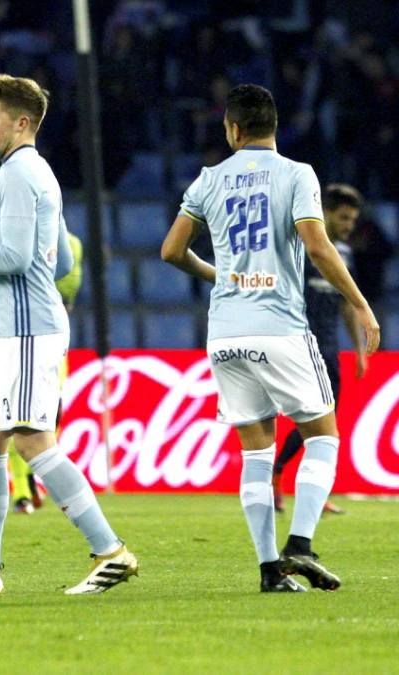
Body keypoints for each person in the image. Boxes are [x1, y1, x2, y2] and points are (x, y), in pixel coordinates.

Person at [0, 74, 138, 596]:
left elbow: (14, 258)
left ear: (20, 122)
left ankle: (112, 551)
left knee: (33, 440)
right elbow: (58, 259)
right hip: (11, 329)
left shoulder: (17, 175)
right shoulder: (39, 173)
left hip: (28, 332)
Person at [161, 84, 379, 592]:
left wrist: (220, 276)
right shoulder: (296, 174)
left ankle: (268, 571)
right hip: (279, 327)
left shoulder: (209, 179)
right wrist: (361, 302)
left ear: (233, 129)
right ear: (272, 127)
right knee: (323, 436)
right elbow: (317, 243)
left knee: (256, 456)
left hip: (225, 335)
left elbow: (171, 251)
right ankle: (300, 547)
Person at [273, 184, 369, 515]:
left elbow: (345, 303)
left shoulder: (343, 254)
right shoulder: (300, 247)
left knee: (324, 425)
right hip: (299, 343)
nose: (348, 226)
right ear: (325, 213)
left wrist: (357, 348)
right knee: (314, 424)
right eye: (343, 218)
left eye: (352, 220)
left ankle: (309, 488)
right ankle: (278, 477)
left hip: (328, 348)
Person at [10, 231, 83, 515]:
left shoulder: (71, 243)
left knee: (52, 413)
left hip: (50, 336)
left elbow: (67, 287)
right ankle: (21, 492)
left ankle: (31, 471)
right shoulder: (14, 239)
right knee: (15, 416)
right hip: (16, 336)